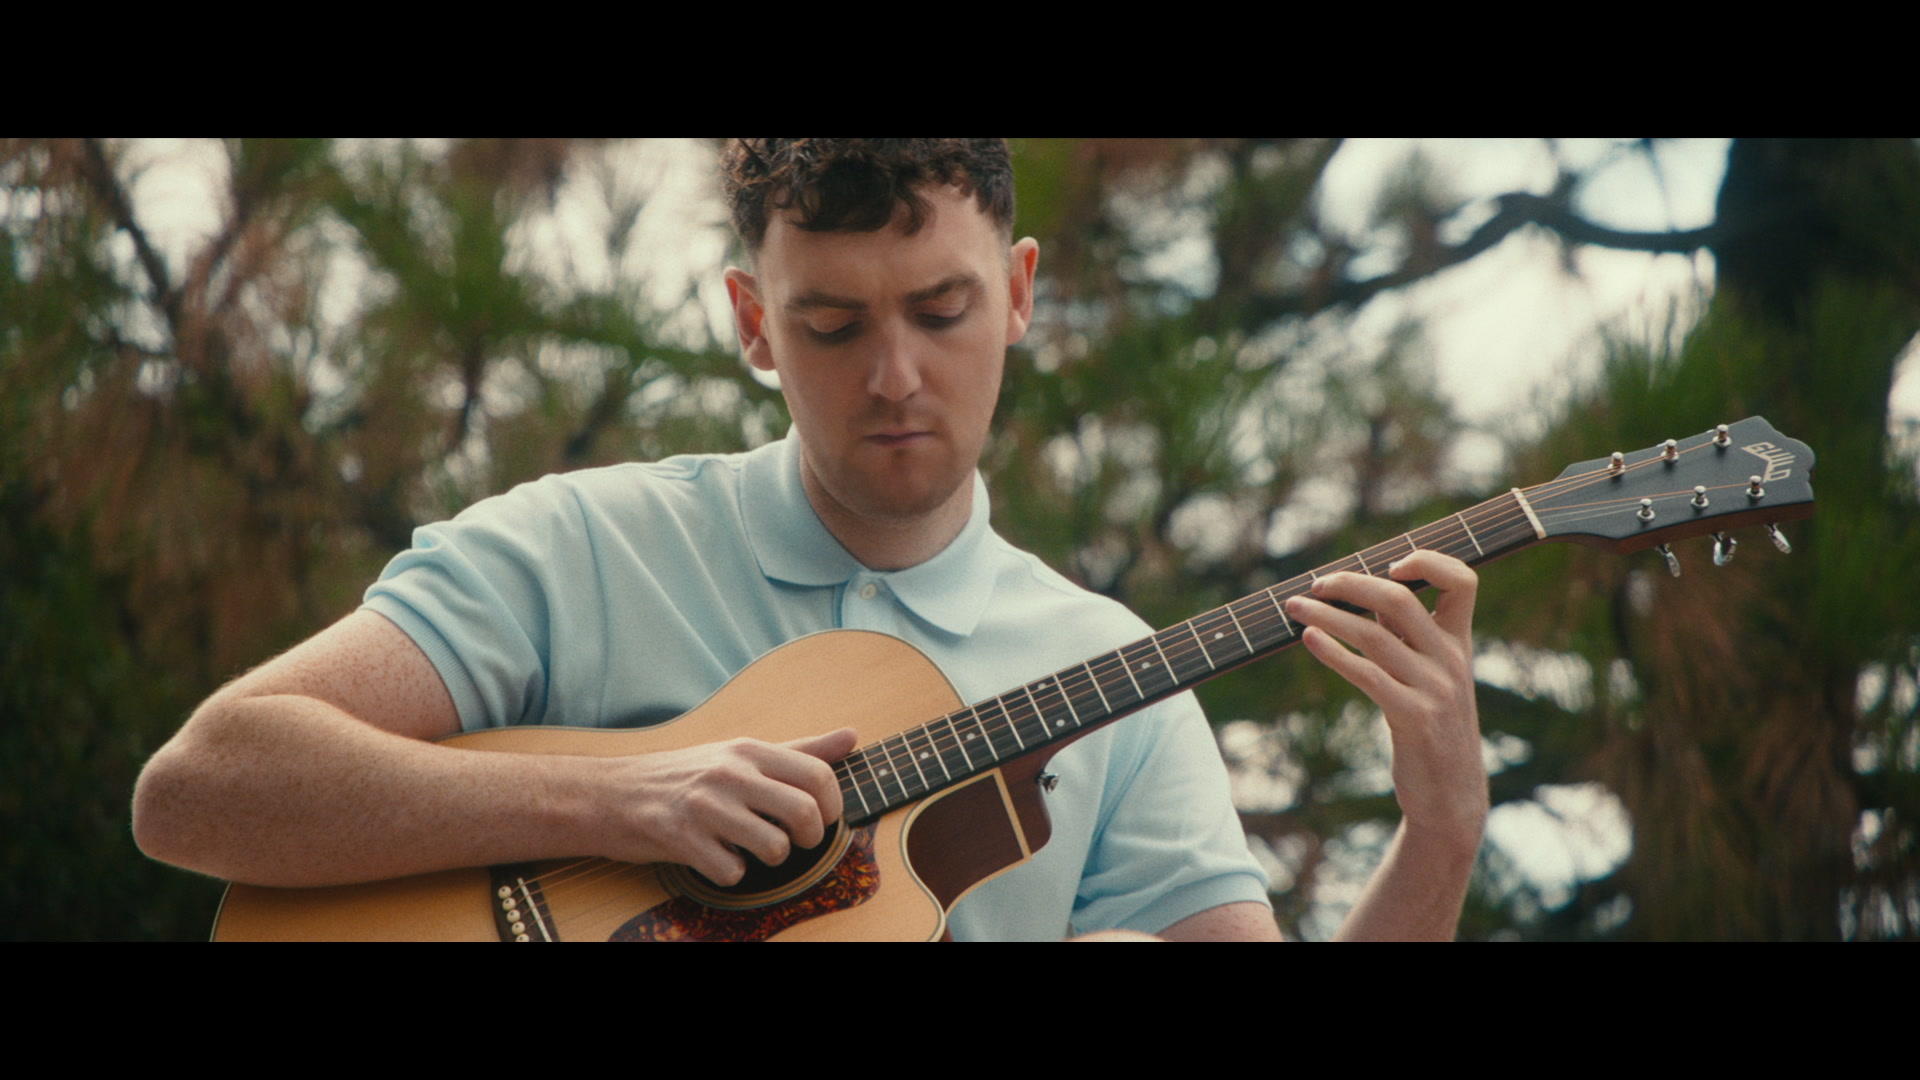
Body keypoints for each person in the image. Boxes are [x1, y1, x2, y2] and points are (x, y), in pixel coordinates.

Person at [133, 139, 1487, 941]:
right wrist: (618, 802)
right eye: (832, 325)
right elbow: (200, 788)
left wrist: (1441, 834)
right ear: (751, 322)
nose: (895, 375)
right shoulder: (582, 547)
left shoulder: (1116, 674)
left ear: (1020, 292)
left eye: (942, 311)